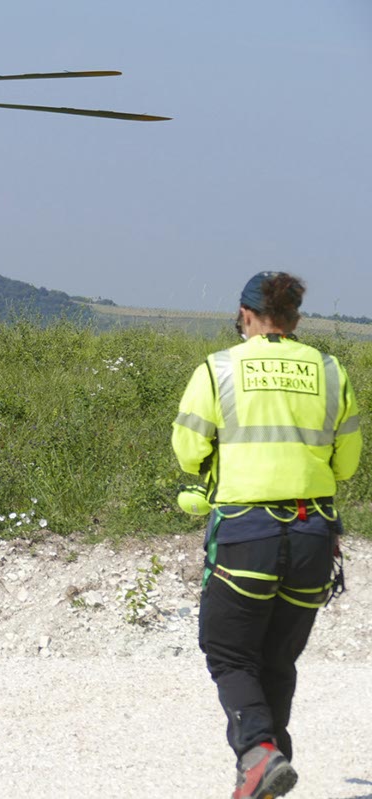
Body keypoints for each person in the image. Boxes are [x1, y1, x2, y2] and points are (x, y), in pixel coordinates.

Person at [172, 271, 361, 799]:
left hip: (246, 531)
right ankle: (267, 772)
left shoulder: (219, 369)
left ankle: (256, 753)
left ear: (245, 314)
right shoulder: (329, 370)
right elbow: (346, 464)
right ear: (296, 318)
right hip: (313, 535)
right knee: (277, 660)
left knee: (229, 653)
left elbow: (188, 452)